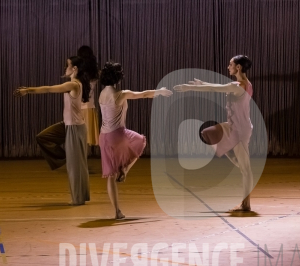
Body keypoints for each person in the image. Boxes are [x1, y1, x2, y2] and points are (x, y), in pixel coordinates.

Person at [173, 55, 254, 212]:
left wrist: (191, 88)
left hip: (240, 130)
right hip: (232, 126)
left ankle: (246, 204)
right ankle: (239, 164)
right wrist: (202, 83)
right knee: (208, 133)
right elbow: (218, 86)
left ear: (238, 67)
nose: (228, 67)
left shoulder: (238, 86)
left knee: (246, 170)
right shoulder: (244, 84)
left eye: (230, 64)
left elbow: (215, 88)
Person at [98, 61, 172, 219]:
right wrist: (160, 91)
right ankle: (124, 169)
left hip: (104, 137)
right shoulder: (120, 94)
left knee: (110, 176)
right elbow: (143, 94)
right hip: (118, 134)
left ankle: (117, 211)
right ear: (118, 77)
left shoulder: (102, 93)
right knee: (141, 141)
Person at [14, 56, 91, 205]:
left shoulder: (74, 85)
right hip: (67, 125)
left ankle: (78, 199)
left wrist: (27, 90)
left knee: (76, 166)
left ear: (74, 69)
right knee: (43, 137)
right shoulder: (74, 84)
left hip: (75, 128)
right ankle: (66, 157)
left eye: (67, 65)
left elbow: (49, 89)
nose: (65, 68)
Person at [77, 46, 100, 150]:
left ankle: (80, 162)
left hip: (77, 107)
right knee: (86, 138)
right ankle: (82, 162)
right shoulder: (95, 73)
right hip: (89, 106)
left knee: (78, 137)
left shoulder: (77, 73)